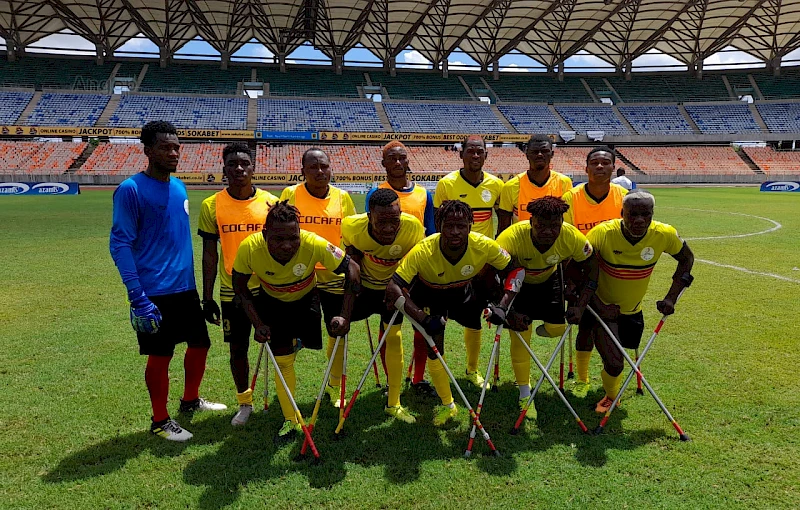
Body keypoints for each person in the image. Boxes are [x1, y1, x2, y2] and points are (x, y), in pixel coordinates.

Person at [109, 121, 226, 442]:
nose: (174, 153)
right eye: (165, 147)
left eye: (176, 147)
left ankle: (190, 400)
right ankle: (160, 420)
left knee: (201, 345)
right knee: (161, 356)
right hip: (154, 292)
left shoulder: (179, 187)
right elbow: (119, 244)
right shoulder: (131, 189)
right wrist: (137, 296)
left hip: (185, 289)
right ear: (148, 151)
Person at [232, 201, 360, 440]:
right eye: (278, 239)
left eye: (293, 238)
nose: (287, 246)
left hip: (307, 300)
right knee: (283, 360)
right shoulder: (249, 248)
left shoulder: (313, 242)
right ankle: (291, 419)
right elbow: (239, 287)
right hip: (272, 303)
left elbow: (352, 268)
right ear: (265, 234)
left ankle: (297, 341)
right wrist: (258, 323)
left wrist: (345, 314)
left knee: (306, 343)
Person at [385, 200, 516, 425]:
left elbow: (514, 269)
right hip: (429, 293)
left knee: (475, 323)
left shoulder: (484, 245)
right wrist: (422, 318)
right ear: (439, 225)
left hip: (462, 290)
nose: (455, 232)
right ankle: (448, 405)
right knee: (434, 345)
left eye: (461, 226)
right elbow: (393, 287)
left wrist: (502, 304)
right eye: (449, 226)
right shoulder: (423, 250)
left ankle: (472, 371)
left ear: (470, 226)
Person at [582, 190, 694, 413]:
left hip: (633, 310)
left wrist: (671, 297)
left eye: (646, 214)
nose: (640, 220)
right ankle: (611, 397)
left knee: (623, 352)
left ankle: (611, 387)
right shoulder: (602, 233)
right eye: (633, 214)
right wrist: (599, 306)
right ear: (622, 212)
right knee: (615, 364)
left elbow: (687, 259)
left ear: (653, 214)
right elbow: (579, 267)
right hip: (602, 310)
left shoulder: (663, 234)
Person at [197, 142, 278, 426]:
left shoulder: (270, 202)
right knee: (238, 348)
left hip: (268, 286)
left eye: (244, 163)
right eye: (233, 164)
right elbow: (210, 254)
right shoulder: (212, 205)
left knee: (280, 342)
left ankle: (282, 393)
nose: (239, 169)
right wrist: (207, 298)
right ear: (224, 170)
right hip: (233, 290)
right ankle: (244, 403)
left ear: (253, 168)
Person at [496, 196, 598, 418]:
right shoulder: (512, 237)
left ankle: (536, 323)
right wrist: (508, 311)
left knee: (557, 330)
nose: (548, 231)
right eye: (542, 225)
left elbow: (591, 266)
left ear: (562, 222)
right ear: (531, 221)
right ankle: (525, 394)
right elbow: (492, 272)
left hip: (549, 281)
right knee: (521, 336)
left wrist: (579, 306)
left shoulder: (571, 236)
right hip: (518, 284)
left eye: (555, 225)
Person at [279, 148, 357, 407]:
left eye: (324, 166)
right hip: (301, 276)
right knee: (291, 335)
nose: (320, 171)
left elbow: (350, 236)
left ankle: (334, 386)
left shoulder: (343, 197)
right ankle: (288, 387)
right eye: (313, 167)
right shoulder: (291, 194)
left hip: (334, 276)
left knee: (337, 333)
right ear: (303, 171)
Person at [341, 188, 425, 423]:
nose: (389, 228)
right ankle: (332, 388)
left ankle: (394, 402)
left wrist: (401, 290)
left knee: (394, 338)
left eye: (394, 221)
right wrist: (354, 274)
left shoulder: (413, 227)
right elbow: (352, 255)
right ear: (369, 216)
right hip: (365, 290)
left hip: (394, 289)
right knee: (338, 328)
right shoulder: (351, 226)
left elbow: (415, 264)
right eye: (382, 222)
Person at [366, 141, 436, 396]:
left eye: (401, 158)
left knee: (421, 327)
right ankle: (391, 381)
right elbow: (368, 233)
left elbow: (431, 234)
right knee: (390, 329)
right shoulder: (375, 194)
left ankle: (418, 380)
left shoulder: (424, 194)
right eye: (391, 159)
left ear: (408, 162)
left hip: (418, 275)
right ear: (383, 163)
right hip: (387, 275)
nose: (397, 163)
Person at [433, 135, 504, 388]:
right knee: (438, 317)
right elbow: (437, 225)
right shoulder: (447, 184)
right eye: (470, 151)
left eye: (480, 152)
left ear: (486, 155)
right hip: (448, 261)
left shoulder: (496, 184)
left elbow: (503, 224)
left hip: (481, 264)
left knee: (474, 318)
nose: (475, 156)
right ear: (461, 154)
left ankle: (472, 370)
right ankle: (438, 371)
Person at [562, 146, 628, 397]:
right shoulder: (572, 197)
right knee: (586, 325)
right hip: (581, 271)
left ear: (614, 167)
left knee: (612, 325)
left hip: (615, 272)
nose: (600, 167)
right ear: (586, 168)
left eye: (605, 163)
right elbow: (567, 239)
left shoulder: (623, 196)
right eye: (595, 163)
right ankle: (582, 379)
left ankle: (610, 376)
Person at [497, 134, 573, 234]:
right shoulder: (511, 186)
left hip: (556, 245)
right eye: (535, 152)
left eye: (545, 151)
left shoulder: (564, 182)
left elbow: (568, 222)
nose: (540, 155)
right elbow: (503, 227)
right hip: (522, 245)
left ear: (552, 154)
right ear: (527, 154)